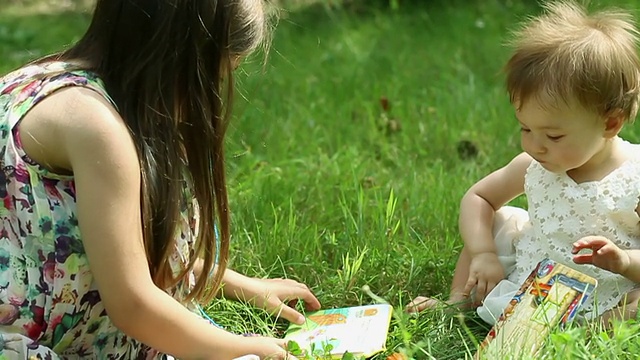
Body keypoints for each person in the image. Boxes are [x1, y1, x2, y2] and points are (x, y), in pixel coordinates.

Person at [0, 0, 321, 359]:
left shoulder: (50, 80)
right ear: (181, 60)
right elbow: (133, 304)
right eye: (213, 78)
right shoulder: (95, 126)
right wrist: (248, 348)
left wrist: (236, 284)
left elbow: (111, 245)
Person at [407, 0, 640, 326]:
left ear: (610, 124)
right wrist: (484, 253)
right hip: (536, 278)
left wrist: (625, 260)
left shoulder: (634, 178)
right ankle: (456, 302)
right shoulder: (531, 164)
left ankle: (588, 331)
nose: (535, 145)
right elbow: (479, 198)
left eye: (553, 136)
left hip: (606, 288)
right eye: (525, 128)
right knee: (497, 221)